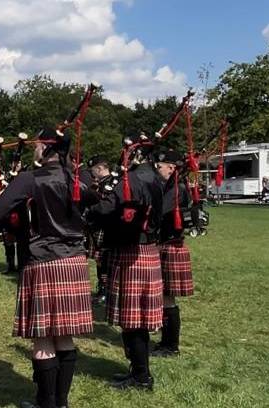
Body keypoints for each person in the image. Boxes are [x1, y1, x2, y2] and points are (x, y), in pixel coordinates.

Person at [0, 128, 95, 408]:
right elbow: (95, 208)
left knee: (43, 340)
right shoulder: (79, 178)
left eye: (37, 146)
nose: (34, 150)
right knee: (65, 336)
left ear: (47, 149)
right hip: (74, 261)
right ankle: (61, 403)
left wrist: (15, 225)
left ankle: (46, 405)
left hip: (43, 260)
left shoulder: (29, 179)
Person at [89, 144, 177, 391]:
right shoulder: (155, 181)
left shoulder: (136, 178)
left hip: (132, 253)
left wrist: (89, 214)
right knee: (135, 318)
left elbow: (108, 208)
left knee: (132, 319)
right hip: (146, 250)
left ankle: (141, 377)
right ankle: (138, 372)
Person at [153, 161, 195, 358]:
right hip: (169, 244)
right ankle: (166, 342)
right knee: (165, 298)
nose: (158, 169)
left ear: (171, 167)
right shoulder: (174, 187)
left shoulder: (176, 189)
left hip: (170, 245)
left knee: (167, 298)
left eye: (161, 165)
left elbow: (158, 213)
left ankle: (170, 345)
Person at [86, 156, 113, 303]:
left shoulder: (111, 183)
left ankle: (105, 290)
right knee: (99, 260)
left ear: (100, 168)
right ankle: (102, 288)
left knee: (103, 260)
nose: (92, 174)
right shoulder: (100, 183)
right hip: (96, 225)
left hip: (104, 225)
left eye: (93, 171)